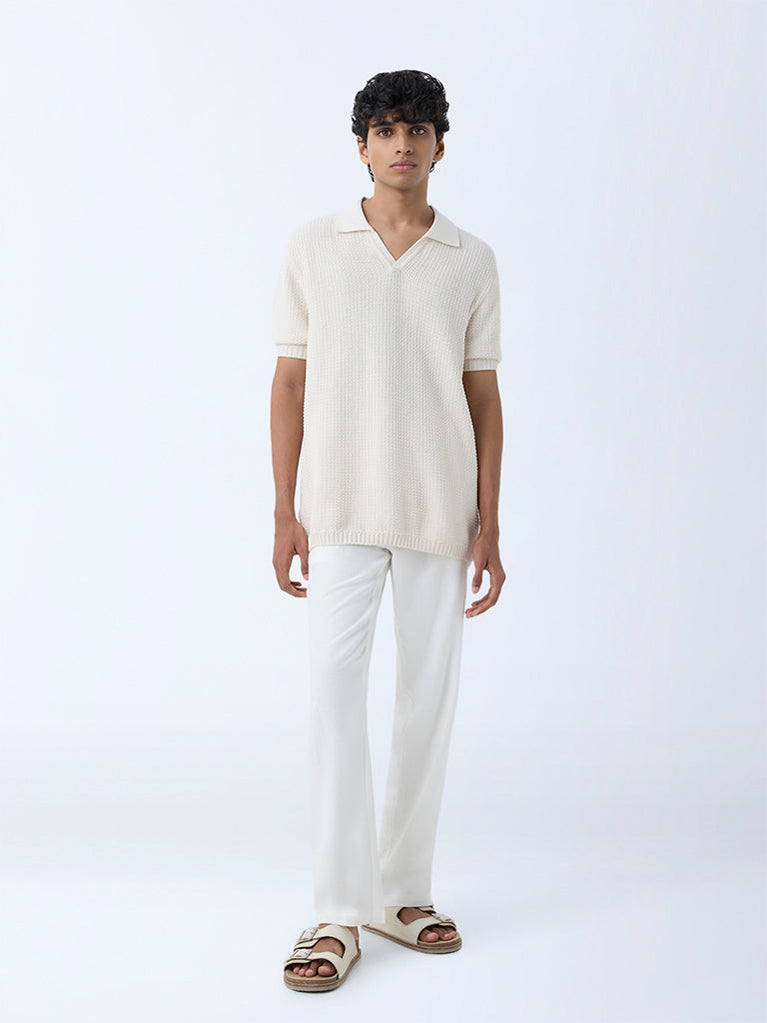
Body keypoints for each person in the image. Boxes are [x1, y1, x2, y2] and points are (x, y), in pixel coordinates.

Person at [270, 69, 505, 992]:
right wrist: (283, 509)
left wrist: (489, 520)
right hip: (337, 505)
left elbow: (482, 396)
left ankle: (401, 893)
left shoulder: (469, 258)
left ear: (441, 145)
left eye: (417, 129)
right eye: (385, 129)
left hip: (439, 509)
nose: (401, 144)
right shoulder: (313, 246)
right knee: (333, 696)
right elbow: (290, 381)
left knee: (425, 698)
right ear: (361, 145)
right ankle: (337, 910)